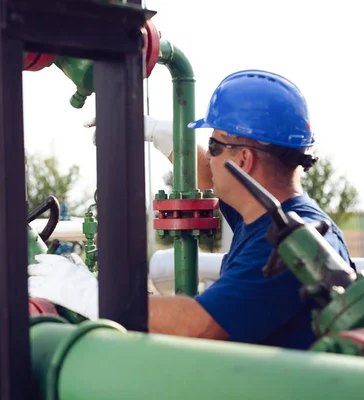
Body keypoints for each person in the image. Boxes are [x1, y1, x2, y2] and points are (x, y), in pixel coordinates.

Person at [28, 69, 356, 351]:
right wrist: (164, 136)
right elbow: (210, 174)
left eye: (214, 146)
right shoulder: (269, 213)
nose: (209, 155)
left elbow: (199, 326)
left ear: (244, 161)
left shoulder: (288, 244)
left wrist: (88, 294)